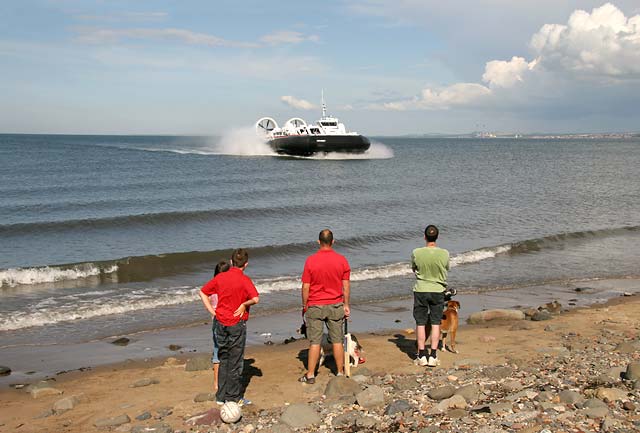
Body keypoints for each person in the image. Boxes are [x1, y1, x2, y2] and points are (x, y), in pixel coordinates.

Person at [199, 249, 259, 405]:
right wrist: (244, 304)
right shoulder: (244, 279)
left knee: (223, 357)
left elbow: (202, 292)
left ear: (231, 262)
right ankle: (233, 397)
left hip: (220, 322)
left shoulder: (220, 277)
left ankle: (221, 396)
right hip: (235, 323)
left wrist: (212, 311)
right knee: (235, 360)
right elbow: (256, 298)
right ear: (246, 264)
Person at [299, 229, 351, 384]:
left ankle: (310, 374)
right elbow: (346, 286)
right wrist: (346, 304)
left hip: (315, 304)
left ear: (318, 242)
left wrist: (304, 305)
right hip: (335, 304)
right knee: (337, 340)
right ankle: (340, 371)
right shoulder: (341, 260)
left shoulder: (311, 260)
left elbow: (305, 287)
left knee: (315, 342)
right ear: (333, 242)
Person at [411, 225, 449, 367]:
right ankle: (433, 354)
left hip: (421, 289)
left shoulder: (417, 252)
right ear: (437, 237)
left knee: (420, 322)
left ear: (424, 237)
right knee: (435, 322)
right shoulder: (444, 253)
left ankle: (421, 354)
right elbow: (446, 268)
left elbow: (414, 268)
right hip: (437, 289)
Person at [198, 260, 230, 394]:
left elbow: (204, 295)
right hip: (226, 320)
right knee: (227, 351)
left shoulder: (213, 285)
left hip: (216, 321)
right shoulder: (226, 285)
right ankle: (225, 380)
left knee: (218, 351)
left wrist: (213, 312)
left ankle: (216, 383)